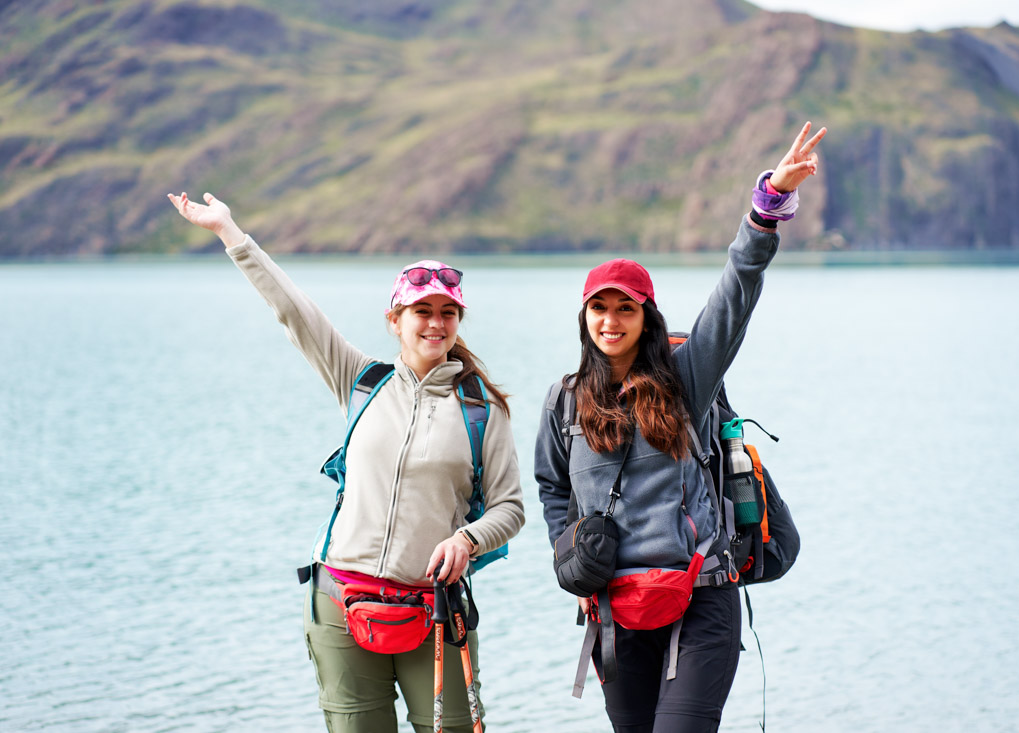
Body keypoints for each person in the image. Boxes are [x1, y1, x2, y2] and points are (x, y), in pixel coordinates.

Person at [167, 191, 525, 733]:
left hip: (434, 613)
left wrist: (467, 540)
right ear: (395, 319)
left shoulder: (482, 410)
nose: (436, 323)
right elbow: (294, 312)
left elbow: (510, 508)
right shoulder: (362, 382)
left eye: (448, 313)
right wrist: (231, 234)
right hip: (340, 607)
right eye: (421, 311)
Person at [534, 122, 826, 733]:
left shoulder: (688, 379)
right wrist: (570, 551)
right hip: (615, 609)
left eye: (625, 308)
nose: (610, 321)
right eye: (599, 307)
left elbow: (734, 295)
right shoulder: (564, 401)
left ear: (646, 315)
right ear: (584, 316)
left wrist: (766, 207)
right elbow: (552, 486)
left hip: (701, 601)